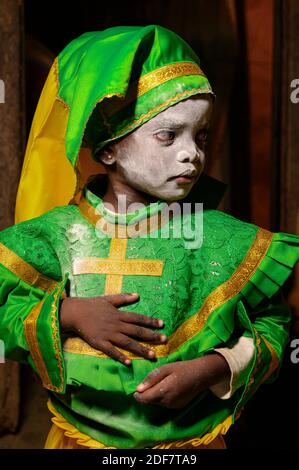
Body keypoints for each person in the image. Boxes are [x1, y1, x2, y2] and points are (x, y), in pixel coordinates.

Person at [0, 25, 298, 449]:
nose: (191, 152)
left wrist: (215, 367)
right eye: (168, 134)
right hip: (76, 441)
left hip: (190, 447)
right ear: (109, 151)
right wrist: (67, 313)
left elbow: (273, 326)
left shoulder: (219, 237)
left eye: (202, 135)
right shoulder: (55, 234)